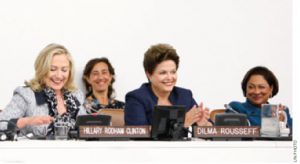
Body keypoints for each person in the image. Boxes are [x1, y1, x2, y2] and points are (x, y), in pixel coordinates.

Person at [0, 43, 86, 138]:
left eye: (64, 70)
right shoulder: (26, 95)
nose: (58, 75)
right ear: (42, 69)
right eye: (52, 69)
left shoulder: (76, 95)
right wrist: (27, 121)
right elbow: (1, 124)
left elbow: (87, 129)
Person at [125, 43, 211, 130]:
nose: (170, 78)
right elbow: (139, 133)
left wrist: (204, 125)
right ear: (149, 75)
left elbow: (214, 132)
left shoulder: (184, 96)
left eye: (173, 72)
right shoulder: (136, 98)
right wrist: (182, 123)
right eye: (163, 73)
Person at [226, 66, 292, 128]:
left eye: (261, 87)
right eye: (251, 87)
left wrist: (283, 123)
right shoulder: (235, 108)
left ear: (271, 89)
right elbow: (236, 131)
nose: (256, 92)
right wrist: (274, 123)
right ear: (245, 89)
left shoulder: (282, 112)